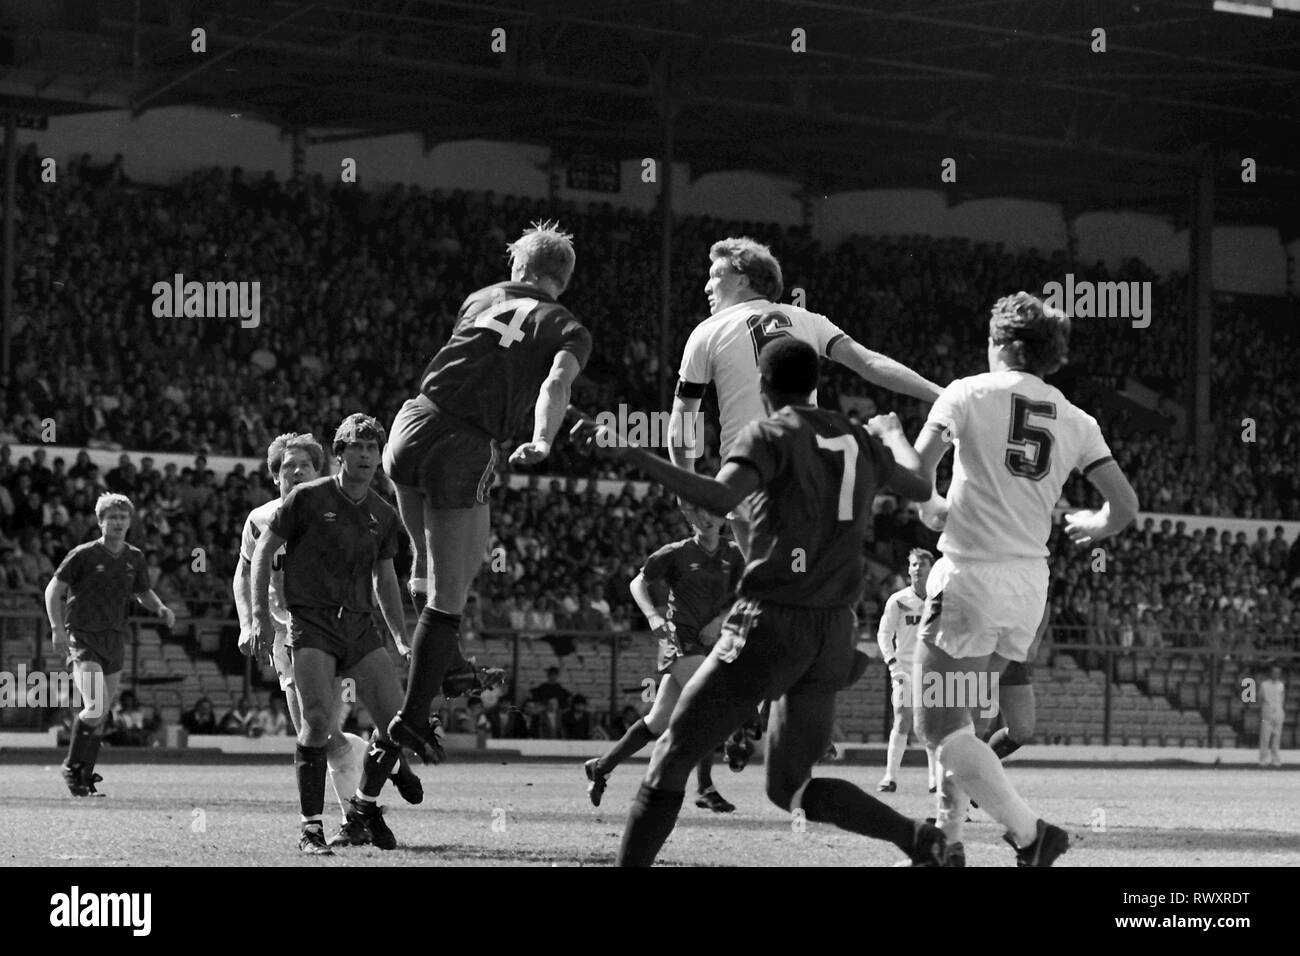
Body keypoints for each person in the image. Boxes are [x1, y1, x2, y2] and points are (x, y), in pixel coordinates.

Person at [572, 338, 946, 867]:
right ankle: (920, 840)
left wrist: (629, 451)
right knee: (789, 786)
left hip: (771, 621)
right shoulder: (858, 437)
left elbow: (718, 498)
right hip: (834, 631)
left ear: (763, 389)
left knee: (670, 757)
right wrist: (893, 433)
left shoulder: (770, 432)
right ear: (815, 384)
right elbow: (920, 482)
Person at [911, 291, 1139, 867]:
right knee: (967, 724)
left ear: (1005, 345)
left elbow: (915, 479)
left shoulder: (965, 393)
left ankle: (1033, 834)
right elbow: (1125, 506)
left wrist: (897, 446)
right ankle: (949, 840)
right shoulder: (1078, 419)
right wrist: (1097, 525)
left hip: (969, 576)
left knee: (937, 728)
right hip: (1027, 588)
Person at [383, 221, 591, 760]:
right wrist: (543, 439)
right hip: (466, 441)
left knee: (426, 564)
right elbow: (553, 384)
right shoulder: (568, 326)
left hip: (411, 422)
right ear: (561, 280)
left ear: (519, 268)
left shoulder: (480, 298)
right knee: (452, 594)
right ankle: (410, 718)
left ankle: (444, 653)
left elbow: (477, 357)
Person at [667, 236, 942, 557]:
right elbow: (870, 364)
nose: (706, 286)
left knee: (768, 586)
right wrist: (942, 393)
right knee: (813, 581)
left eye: (715, 275)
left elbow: (682, 423)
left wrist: (686, 490)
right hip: (810, 472)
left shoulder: (707, 332)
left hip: (748, 477)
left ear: (742, 279)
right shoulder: (809, 320)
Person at [250, 413, 412, 855]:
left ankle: (363, 808)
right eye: (355, 447)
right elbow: (261, 554)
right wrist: (259, 617)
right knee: (318, 721)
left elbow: (385, 578)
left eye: (372, 448)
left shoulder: (382, 512)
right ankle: (310, 828)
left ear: (380, 456)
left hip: (359, 626)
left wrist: (400, 636)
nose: (364, 454)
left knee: (398, 724)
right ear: (339, 454)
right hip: (312, 624)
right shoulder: (305, 499)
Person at [584, 504, 743, 814]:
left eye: (712, 512)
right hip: (678, 639)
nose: (706, 518)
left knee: (656, 723)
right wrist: (652, 616)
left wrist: (721, 619)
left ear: (724, 518)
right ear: (690, 517)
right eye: (699, 513)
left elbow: (749, 593)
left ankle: (601, 767)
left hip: (709, 642)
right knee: (710, 700)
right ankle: (705, 787)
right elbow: (637, 583)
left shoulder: (735, 554)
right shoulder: (675, 553)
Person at [43, 493, 175, 797]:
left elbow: (143, 592)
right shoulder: (83, 554)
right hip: (83, 637)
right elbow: (53, 590)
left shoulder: (135, 557)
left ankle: (83, 777)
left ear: (130, 521)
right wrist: (55, 628)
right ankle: (71, 767)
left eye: (122, 517)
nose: (117, 522)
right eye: (111, 517)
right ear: (100, 521)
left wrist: (160, 608)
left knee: (101, 713)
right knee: (96, 706)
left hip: (114, 640)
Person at [874, 549, 940, 794]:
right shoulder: (898, 600)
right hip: (903, 669)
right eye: (913, 565)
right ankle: (889, 777)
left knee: (931, 724)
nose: (917, 569)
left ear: (932, 569)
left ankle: (934, 780)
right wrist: (891, 661)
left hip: (932, 669)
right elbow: (884, 633)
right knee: (902, 717)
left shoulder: (940, 599)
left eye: (922, 565)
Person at [1259, 664, 1286, 768]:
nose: (1276, 674)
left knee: (1276, 738)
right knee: (1265, 738)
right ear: (1270, 673)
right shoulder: (1264, 685)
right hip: (1267, 714)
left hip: (1278, 714)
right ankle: (1263, 760)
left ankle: (1275, 760)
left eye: (1278, 672)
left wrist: (1280, 712)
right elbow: (1260, 698)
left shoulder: (1281, 685)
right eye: (1274, 672)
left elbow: (1282, 699)